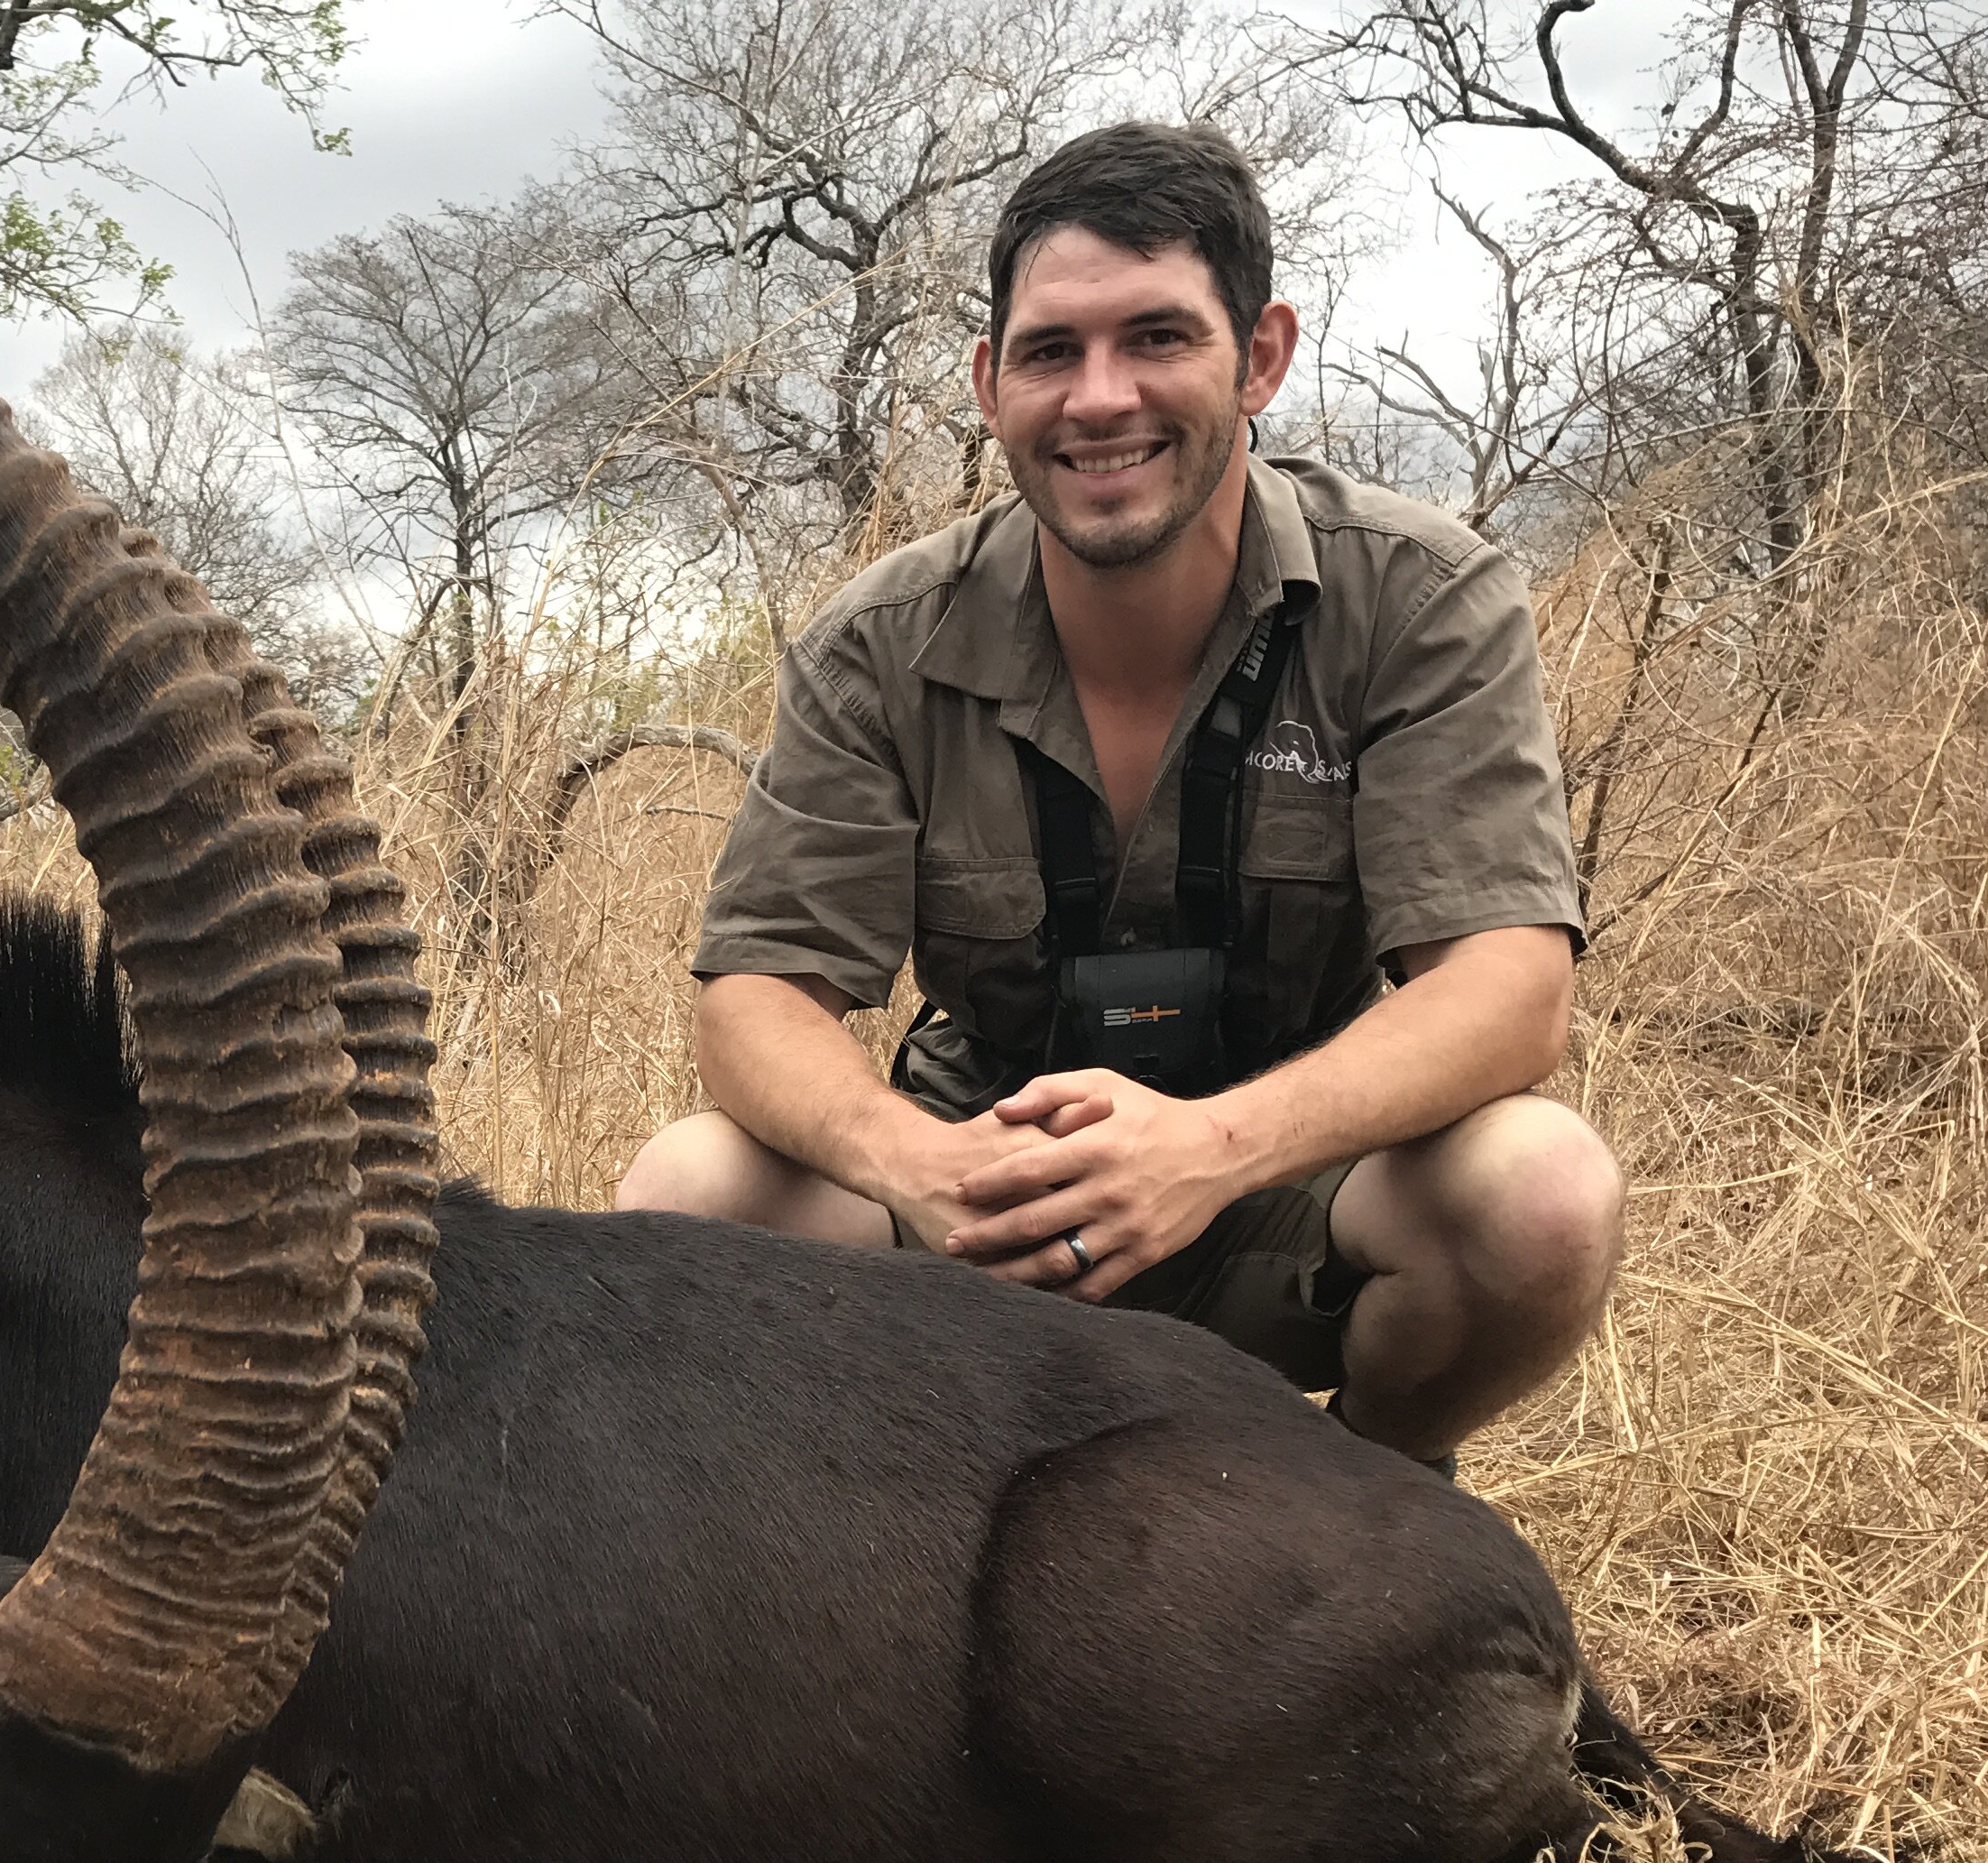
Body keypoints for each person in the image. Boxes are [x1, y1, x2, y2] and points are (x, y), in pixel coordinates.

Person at [615, 121, 1622, 1466]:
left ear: (1260, 354)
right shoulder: (881, 635)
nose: (1099, 399)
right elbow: (755, 999)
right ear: (989, 382)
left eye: (1157, 337)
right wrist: (920, 1162)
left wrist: (1211, 1148)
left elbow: (1509, 986)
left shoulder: (1422, 595)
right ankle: (877, 1535)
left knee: (1542, 1194)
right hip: (983, 1200)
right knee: (688, 1194)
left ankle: (1378, 1502)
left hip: (1279, 1188)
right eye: (1050, 351)